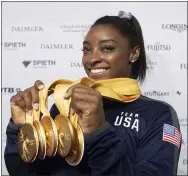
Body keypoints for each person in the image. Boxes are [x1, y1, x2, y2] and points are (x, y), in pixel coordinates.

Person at [5, 11, 182, 176]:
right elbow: (25, 172)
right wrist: (21, 131)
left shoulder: (157, 115)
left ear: (133, 53)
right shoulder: (63, 106)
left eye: (107, 48)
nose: (92, 59)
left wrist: (98, 133)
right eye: (87, 50)